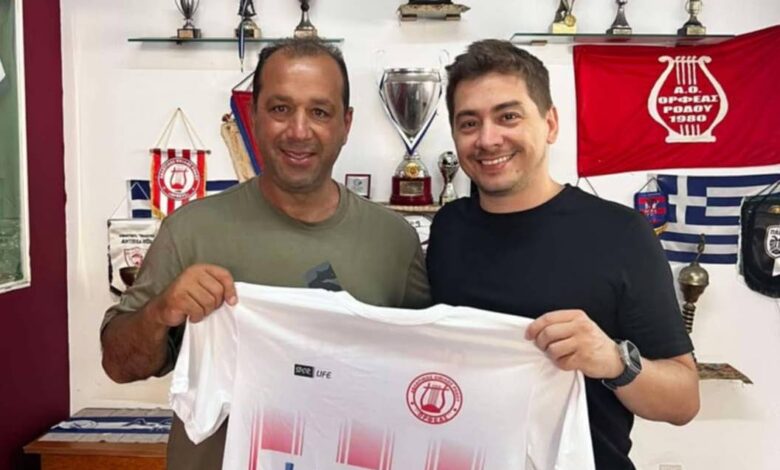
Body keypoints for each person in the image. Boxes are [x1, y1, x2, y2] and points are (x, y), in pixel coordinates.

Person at [100, 38, 430, 470]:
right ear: (253, 117)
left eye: (320, 111)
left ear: (346, 124)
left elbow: (427, 377)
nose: (299, 130)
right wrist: (162, 311)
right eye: (280, 109)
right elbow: (118, 365)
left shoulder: (395, 242)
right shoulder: (190, 230)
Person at [426, 39, 699, 470]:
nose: (488, 139)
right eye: (469, 123)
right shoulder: (448, 229)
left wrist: (612, 360)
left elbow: (683, 401)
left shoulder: (621, 233)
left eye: (508, 116)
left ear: (550, 123)